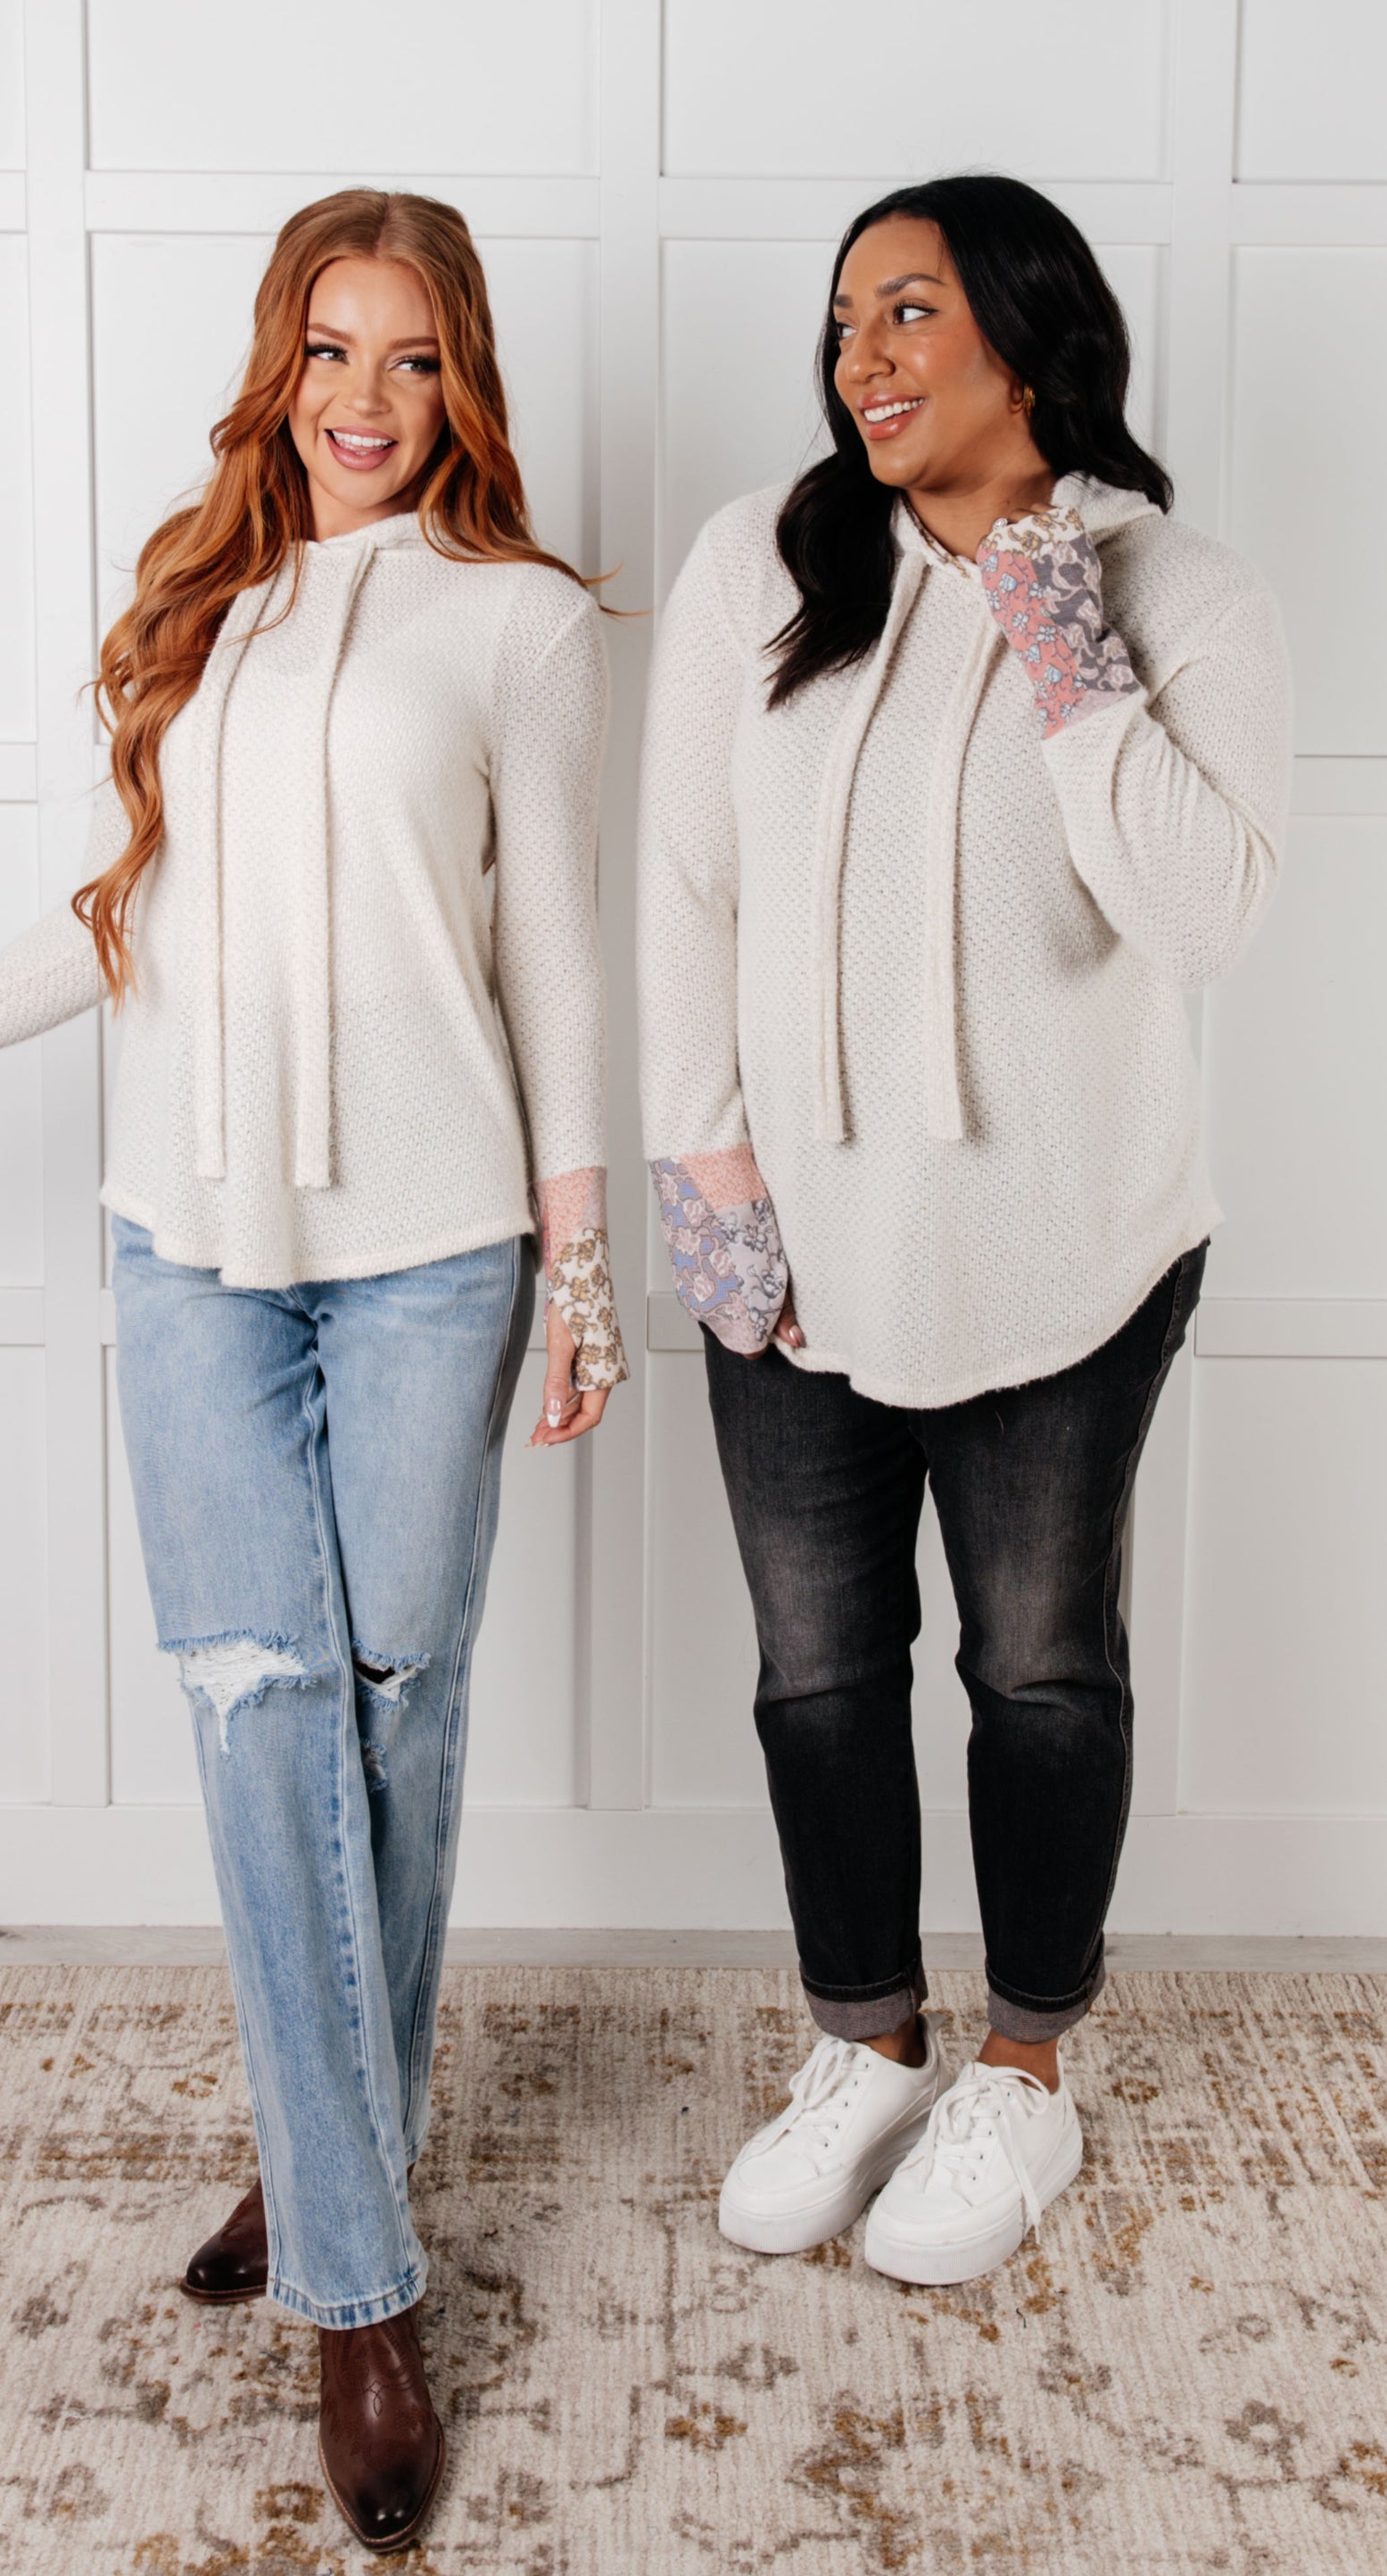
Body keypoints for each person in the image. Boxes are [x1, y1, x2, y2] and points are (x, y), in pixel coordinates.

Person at [0, 188, 624, 2552]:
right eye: (327, 350)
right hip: (195, 1262)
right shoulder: (205, 606)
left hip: (434, 1253)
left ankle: (314, 2160)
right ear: (274, 363)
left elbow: (574, 969)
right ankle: (360, 2286)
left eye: (407, 360)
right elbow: (117, 910)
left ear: (461, 387)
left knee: (390, 1717)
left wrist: (589, 1261)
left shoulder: (525, 629)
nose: (358, 399)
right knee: (257, 1709)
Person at [638, 173, 1290, 2291]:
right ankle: (865, 2050)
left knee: (1037, 1673)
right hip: (795, 1246)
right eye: (842, 319)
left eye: (910, 310)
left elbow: (1204, 918)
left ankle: (1021, 2060)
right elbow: (680, 889)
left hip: (1065, 1248)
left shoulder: (1174, 589)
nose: (863, 357)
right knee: (816, 1676)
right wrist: (705, 1173)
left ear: (1029, 329)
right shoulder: (766, 557)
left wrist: (1056, 634)